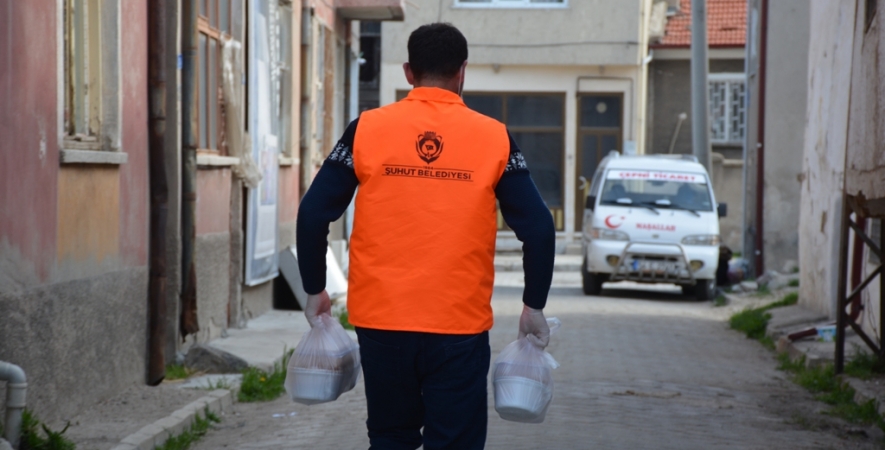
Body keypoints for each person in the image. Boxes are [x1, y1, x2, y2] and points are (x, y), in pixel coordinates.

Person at [296, 23, 555, 450]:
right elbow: (539, 228)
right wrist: (534, 306)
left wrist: (314, 290)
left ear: (408, 72)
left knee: (390, 437)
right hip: (459, 325)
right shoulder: (494, 136)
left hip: (381, 322)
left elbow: (311, 214)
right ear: (463, 71)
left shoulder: (365, 129)